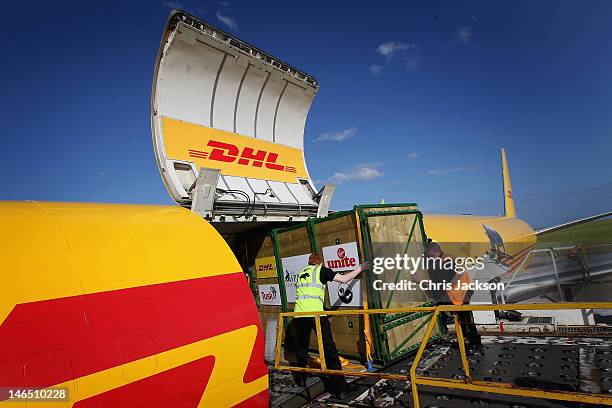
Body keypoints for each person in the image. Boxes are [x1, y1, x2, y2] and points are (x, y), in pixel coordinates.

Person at [291, 252, 367, 399]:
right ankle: (341, 389)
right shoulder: (321, 270)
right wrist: (360, 268)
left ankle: (301, 380)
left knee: (301, 346)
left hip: (299, 315)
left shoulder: (302, 272)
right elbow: (344, 279)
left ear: (309, 262)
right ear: (320, 262)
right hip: (316, 315)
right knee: (329, 350)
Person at [424, 241, 481, 347]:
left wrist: (420, 282)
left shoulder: (447, 261)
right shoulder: (445, 258)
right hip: (461, 292)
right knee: (464, 318)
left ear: (435, 252)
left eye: (431, 256)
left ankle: (474, 341)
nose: (431, 259)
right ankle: (473, 340)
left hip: (461, 294)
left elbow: (441, 282)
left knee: (465, 319)